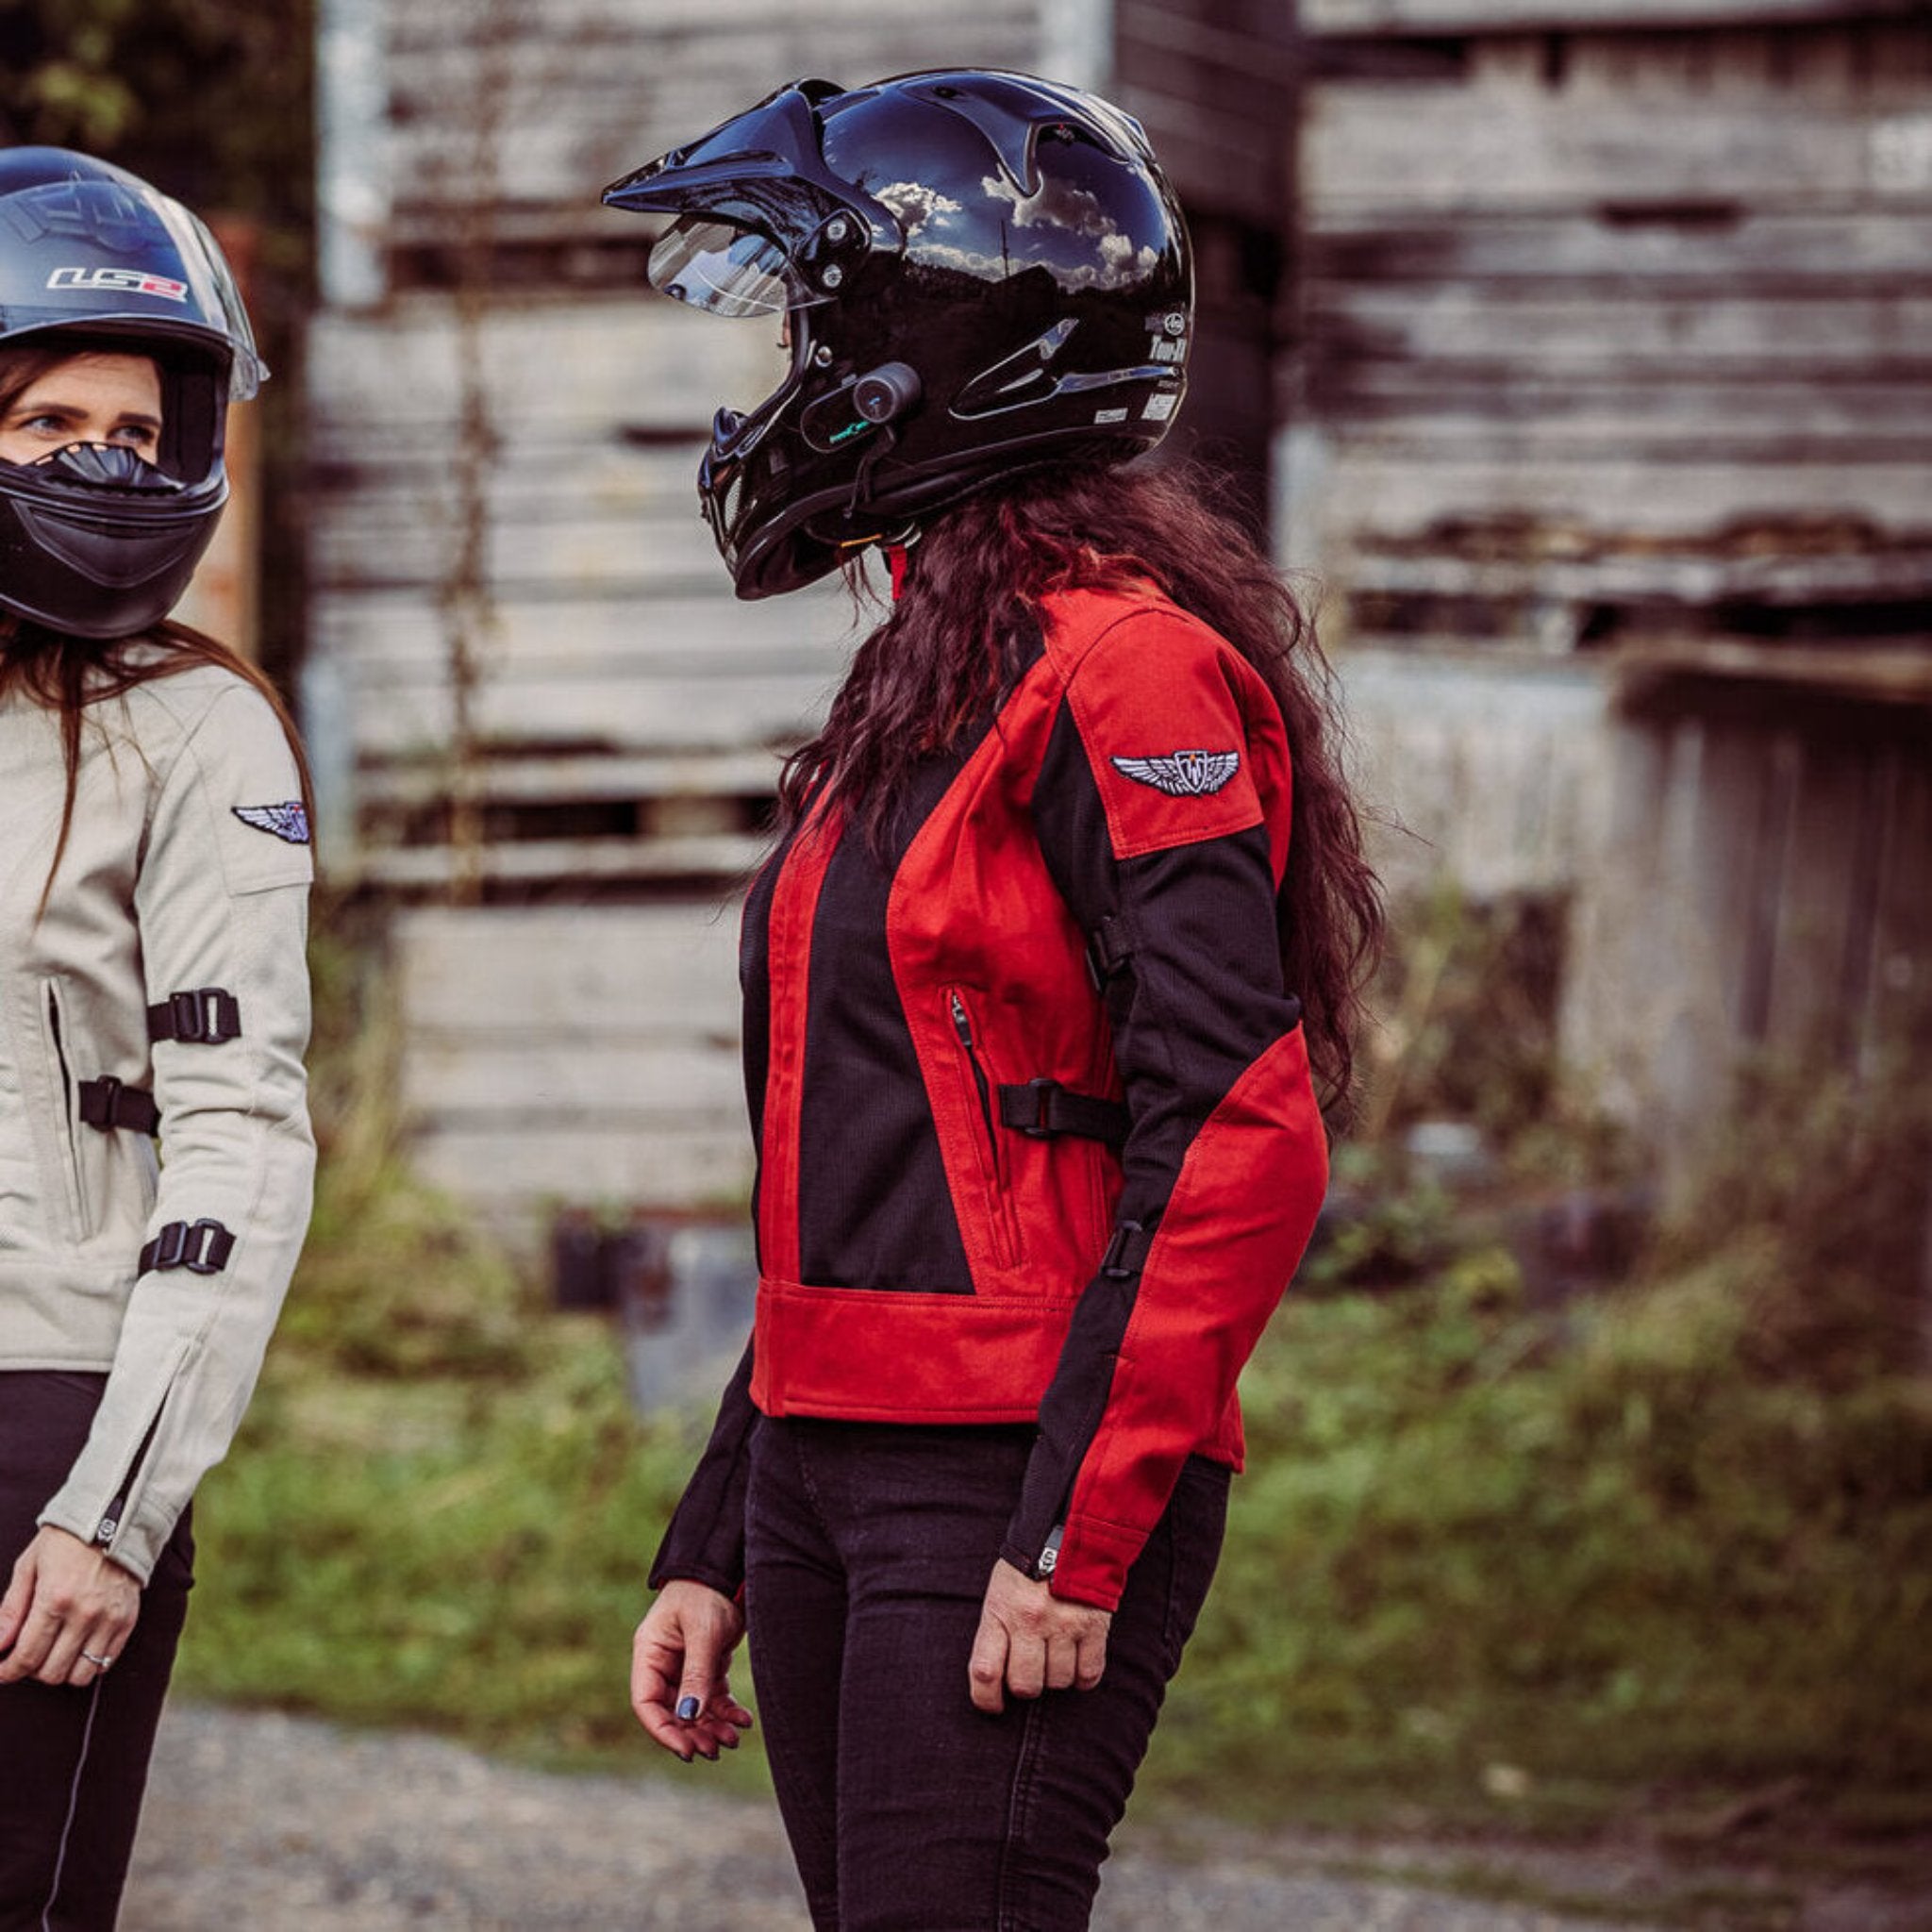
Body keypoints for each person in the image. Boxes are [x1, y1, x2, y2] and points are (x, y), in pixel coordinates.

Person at [606, 72, 1382, 1929]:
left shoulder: (1133, 677)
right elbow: (844, 1146)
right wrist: (720, 1528)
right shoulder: (917, 681)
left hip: (1007, 1472)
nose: (778, 373)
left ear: (922, 346)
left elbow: (1241, 1124)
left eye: (811, 324)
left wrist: (1073, 1531)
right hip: (821, 1470)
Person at [0, 148, 315, 1930]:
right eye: (50, 419)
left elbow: (244, 1138)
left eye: (133, 429)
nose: (102, 465)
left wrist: (111, 1511)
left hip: (46, 1423)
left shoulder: (200, 734)